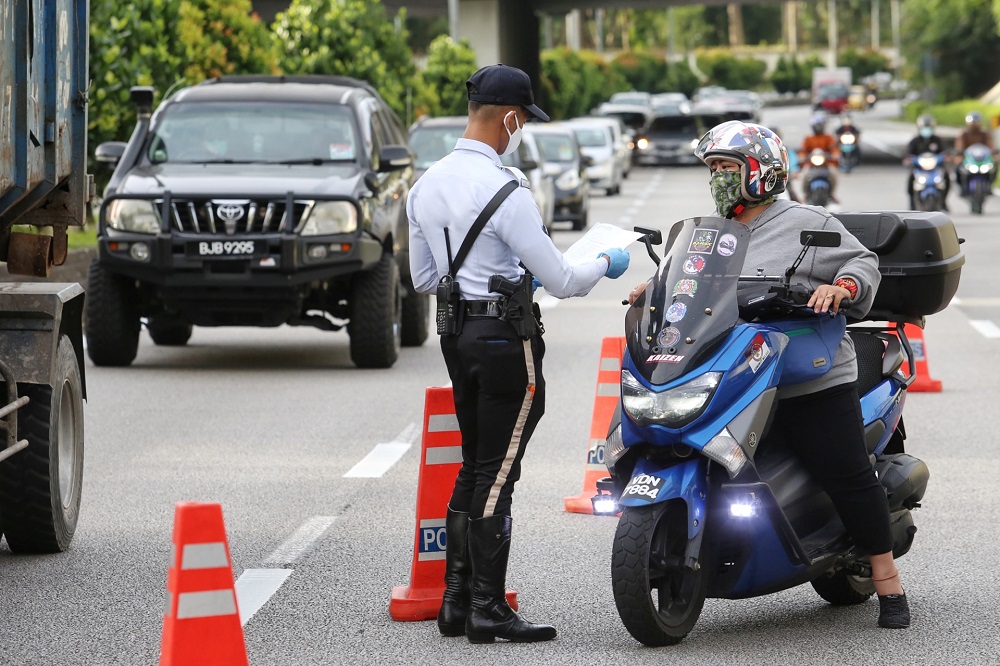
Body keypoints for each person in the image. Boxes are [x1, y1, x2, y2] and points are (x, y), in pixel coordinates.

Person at [627, 121, 910, 630]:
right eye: (713, 169)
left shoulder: (806, 221)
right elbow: (684, 279)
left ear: (762, 172)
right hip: (737, 368)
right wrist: (653, 289)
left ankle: (888, 580)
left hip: (807, 371)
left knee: (843, 471)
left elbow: (862, 265)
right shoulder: (711, 233)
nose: (718, 179)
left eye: (727, 168)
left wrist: (841, 288)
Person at [407, 63, 630, 644]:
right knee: (498, 473)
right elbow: (561, 280)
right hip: (508, 343)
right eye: (523, 123)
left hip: (457, 337)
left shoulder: (425, 185)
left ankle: (456, 603)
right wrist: (607, 261)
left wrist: (490, 276)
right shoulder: (508, 190)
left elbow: (425, 275)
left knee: (475, 463)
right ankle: (487, 608)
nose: (520, 133)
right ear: (509, 117)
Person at [905, 114, 949, 210]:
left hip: (935, 167)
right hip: (920, 168)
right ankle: (912, 203)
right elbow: (908, 153)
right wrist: (908, 159)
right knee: (911, 180)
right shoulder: (915, 141)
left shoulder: (937, 140)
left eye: (928, 127)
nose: (926, 130)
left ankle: (944, 201)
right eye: (924, 127)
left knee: (946, 178)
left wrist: (945, 158)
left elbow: (944, 152)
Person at [798, 112, 840, 202]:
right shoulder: (808, 138)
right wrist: (802, 157)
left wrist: (835, 155)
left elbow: (834, 149)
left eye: (820, 125)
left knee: (833, 174)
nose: (818, 127)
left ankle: (832, 193)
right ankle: (805, 193)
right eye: (817, 125)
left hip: (826, 163)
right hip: (811, 164)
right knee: (804, 175)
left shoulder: (828, 138)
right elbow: (803, 151)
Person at [953, 111, 995, 194]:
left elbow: (990, 147)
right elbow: (959, 146)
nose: (974, 124)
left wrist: (994, 155)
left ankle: (990, 185)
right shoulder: (964, 134)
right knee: (958, 168)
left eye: (976, 122)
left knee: (993, 168)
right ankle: (962, 187)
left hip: (982, 159)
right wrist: (959, 155)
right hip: (968, 159)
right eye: (973, 122)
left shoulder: (984, 134)